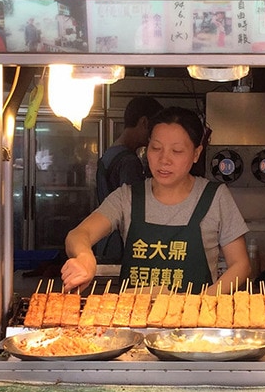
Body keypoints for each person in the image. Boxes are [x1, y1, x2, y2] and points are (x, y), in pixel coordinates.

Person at [62, 107, 251, 293]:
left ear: (196, 153)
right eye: (156, 148)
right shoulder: (127, 197)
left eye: (176, 151)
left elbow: (240, 264)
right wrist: (85, 257)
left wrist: (203, 302)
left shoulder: (215, 196)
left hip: (194, 321)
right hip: (131, 320)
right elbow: (79, 234)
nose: (164, 160)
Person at [94, 96, 163, 263]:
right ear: (144, 122)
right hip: (121, 243)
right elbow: (136, 210)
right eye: (155, 129)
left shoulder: (110, 154)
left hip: (104, 239)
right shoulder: (128, 161)